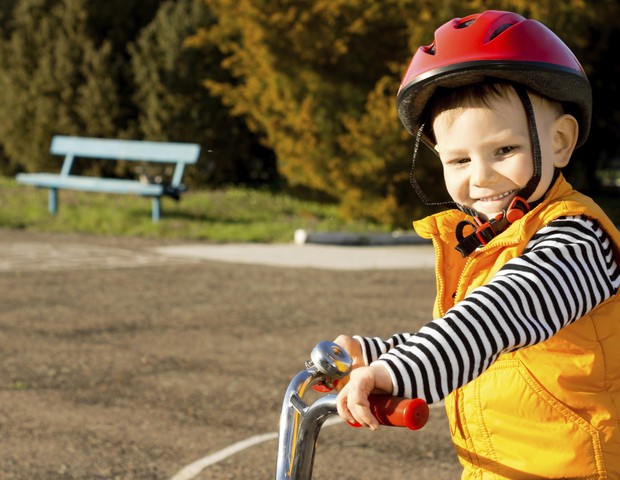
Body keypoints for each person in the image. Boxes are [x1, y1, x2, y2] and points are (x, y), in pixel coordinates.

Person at [332, 10, 620, 478]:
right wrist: (377, 353)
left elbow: (501, 315)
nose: (481, 177)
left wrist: (396, 374)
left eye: (504, 150)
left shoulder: (576, 242)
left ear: (561, 141)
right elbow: (476, 345)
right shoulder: (489, 246)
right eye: (460, 159)